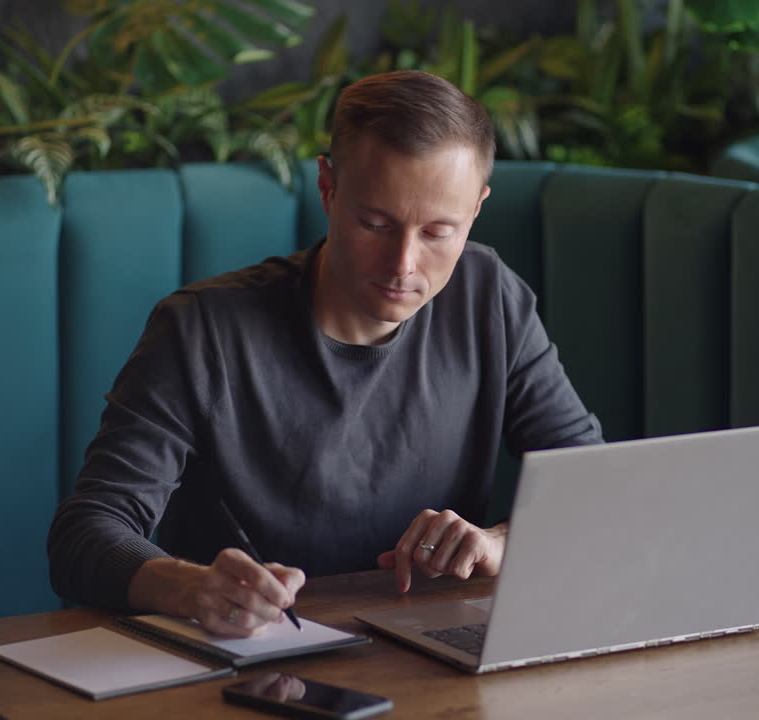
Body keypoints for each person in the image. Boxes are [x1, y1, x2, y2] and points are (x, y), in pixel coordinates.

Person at [47, 70, 602, 640]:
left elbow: (593, 483)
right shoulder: (202, 329)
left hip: (432, 655)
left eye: (438, 231)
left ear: (477, 209)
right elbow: (86, 533)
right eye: (375, 223)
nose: (402, 265)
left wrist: (498, 544)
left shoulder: (490, 295)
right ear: (327, 188)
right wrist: (187, 586)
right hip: (254, 664)